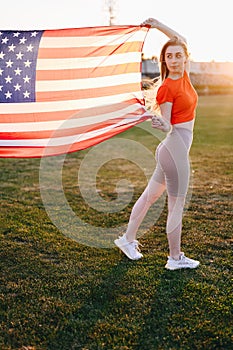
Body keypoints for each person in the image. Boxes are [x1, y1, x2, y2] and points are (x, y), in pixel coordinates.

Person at [114, 18, 200, 270]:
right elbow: (168, 123)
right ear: (165, 61)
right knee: (176, 204)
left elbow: (180, 38)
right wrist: (164, 125)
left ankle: (127, 240)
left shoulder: (184, 75)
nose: (173, 59)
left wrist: (156, 23)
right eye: (169, 57)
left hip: (171, 150)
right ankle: (175, 258)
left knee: (150, 196)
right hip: (174, 149)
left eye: (177, 55)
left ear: (185, 58)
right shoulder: (167, 88)